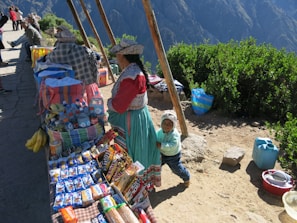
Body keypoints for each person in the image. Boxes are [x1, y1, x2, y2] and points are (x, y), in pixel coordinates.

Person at [107, 39, 161, 188]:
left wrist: (109, 103)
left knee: (132, 152)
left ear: (123, 56)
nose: (117, 57)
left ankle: (132, 185)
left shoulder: (131, 76)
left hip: (132, 120)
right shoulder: (135, 71)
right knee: (141, 149)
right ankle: (140, 183)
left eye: (118, 54)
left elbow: (119, 106)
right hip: (140, 116)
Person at [156, 110, 191, 187]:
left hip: (172, 156)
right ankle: (154, 179)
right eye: (164, 123)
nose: (166, 126)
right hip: (162, 153)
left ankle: (186, 177)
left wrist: (161, 145)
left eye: (169, 124)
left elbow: (172, 145)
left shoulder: (175, 135)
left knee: (176, 169)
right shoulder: (159, 131)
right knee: (156, 165)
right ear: (161, 123)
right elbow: (155, 137)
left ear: (173, 125)